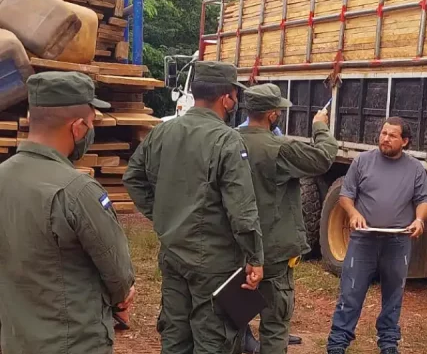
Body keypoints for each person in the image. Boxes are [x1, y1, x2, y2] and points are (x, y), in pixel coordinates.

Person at [123, 61, 264, 354]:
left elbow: (133, 177)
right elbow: (242, 208)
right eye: (235, 95)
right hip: (214, 261)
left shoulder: (162, 132)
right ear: (227, 97)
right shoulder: (227, 139)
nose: (236, 101)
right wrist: (254, 256)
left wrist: (162, 214)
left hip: (173, 253)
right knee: (212, 338)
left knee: (174, 335)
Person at [0, 72, 136, 354]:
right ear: (77, 128)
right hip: (74, 342)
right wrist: (122, 297)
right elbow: (119, 276)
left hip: (15, 340)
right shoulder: (78, 191)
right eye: (91, 123)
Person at [237, 84, 338, 354]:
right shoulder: (279, 148)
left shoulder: (227, 141)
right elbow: (323, 158)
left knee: (233, 319)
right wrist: (320, 127)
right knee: (274, 323)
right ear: (272, 115)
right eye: (278, 110)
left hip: (234, 250)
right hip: (273, 252)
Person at [326, 117, 427, 354]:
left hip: (398, 241)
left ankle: (388, 344)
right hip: (364, 240)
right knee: (351, 292)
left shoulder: (415, 168)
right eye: (383, 133)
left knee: (394, 294)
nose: (385, 138)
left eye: (392, 135)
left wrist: (419, 219)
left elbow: (424, 200)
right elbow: (346, 195)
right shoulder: (363, 161)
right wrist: (352, 214)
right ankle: (337, 344)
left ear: (405, 141)